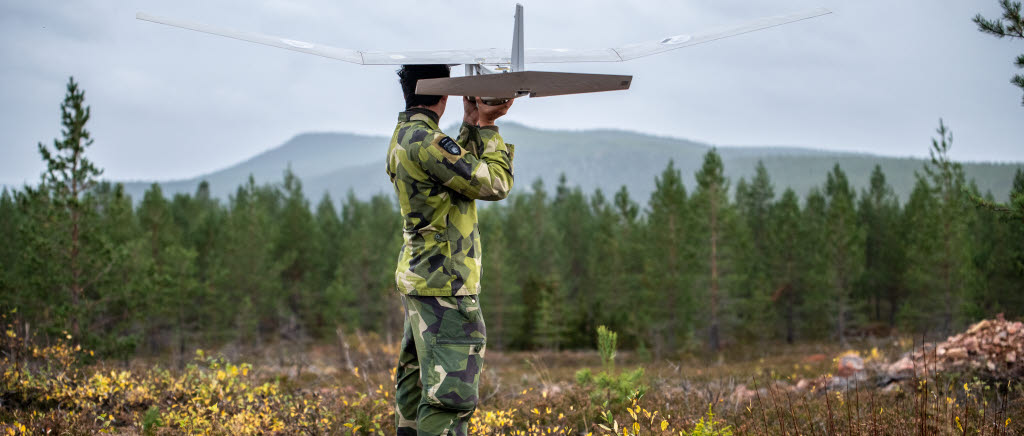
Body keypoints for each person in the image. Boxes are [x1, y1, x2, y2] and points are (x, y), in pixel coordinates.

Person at [386, 64, 515, 436]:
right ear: (443, 92)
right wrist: (488, 128)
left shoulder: (405, 135)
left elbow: (456, 175)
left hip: (423, 280)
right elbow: (495, 183)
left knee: (416, 391)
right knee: (449, 399)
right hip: (447, 286)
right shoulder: (429, 143)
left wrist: (472, 124)